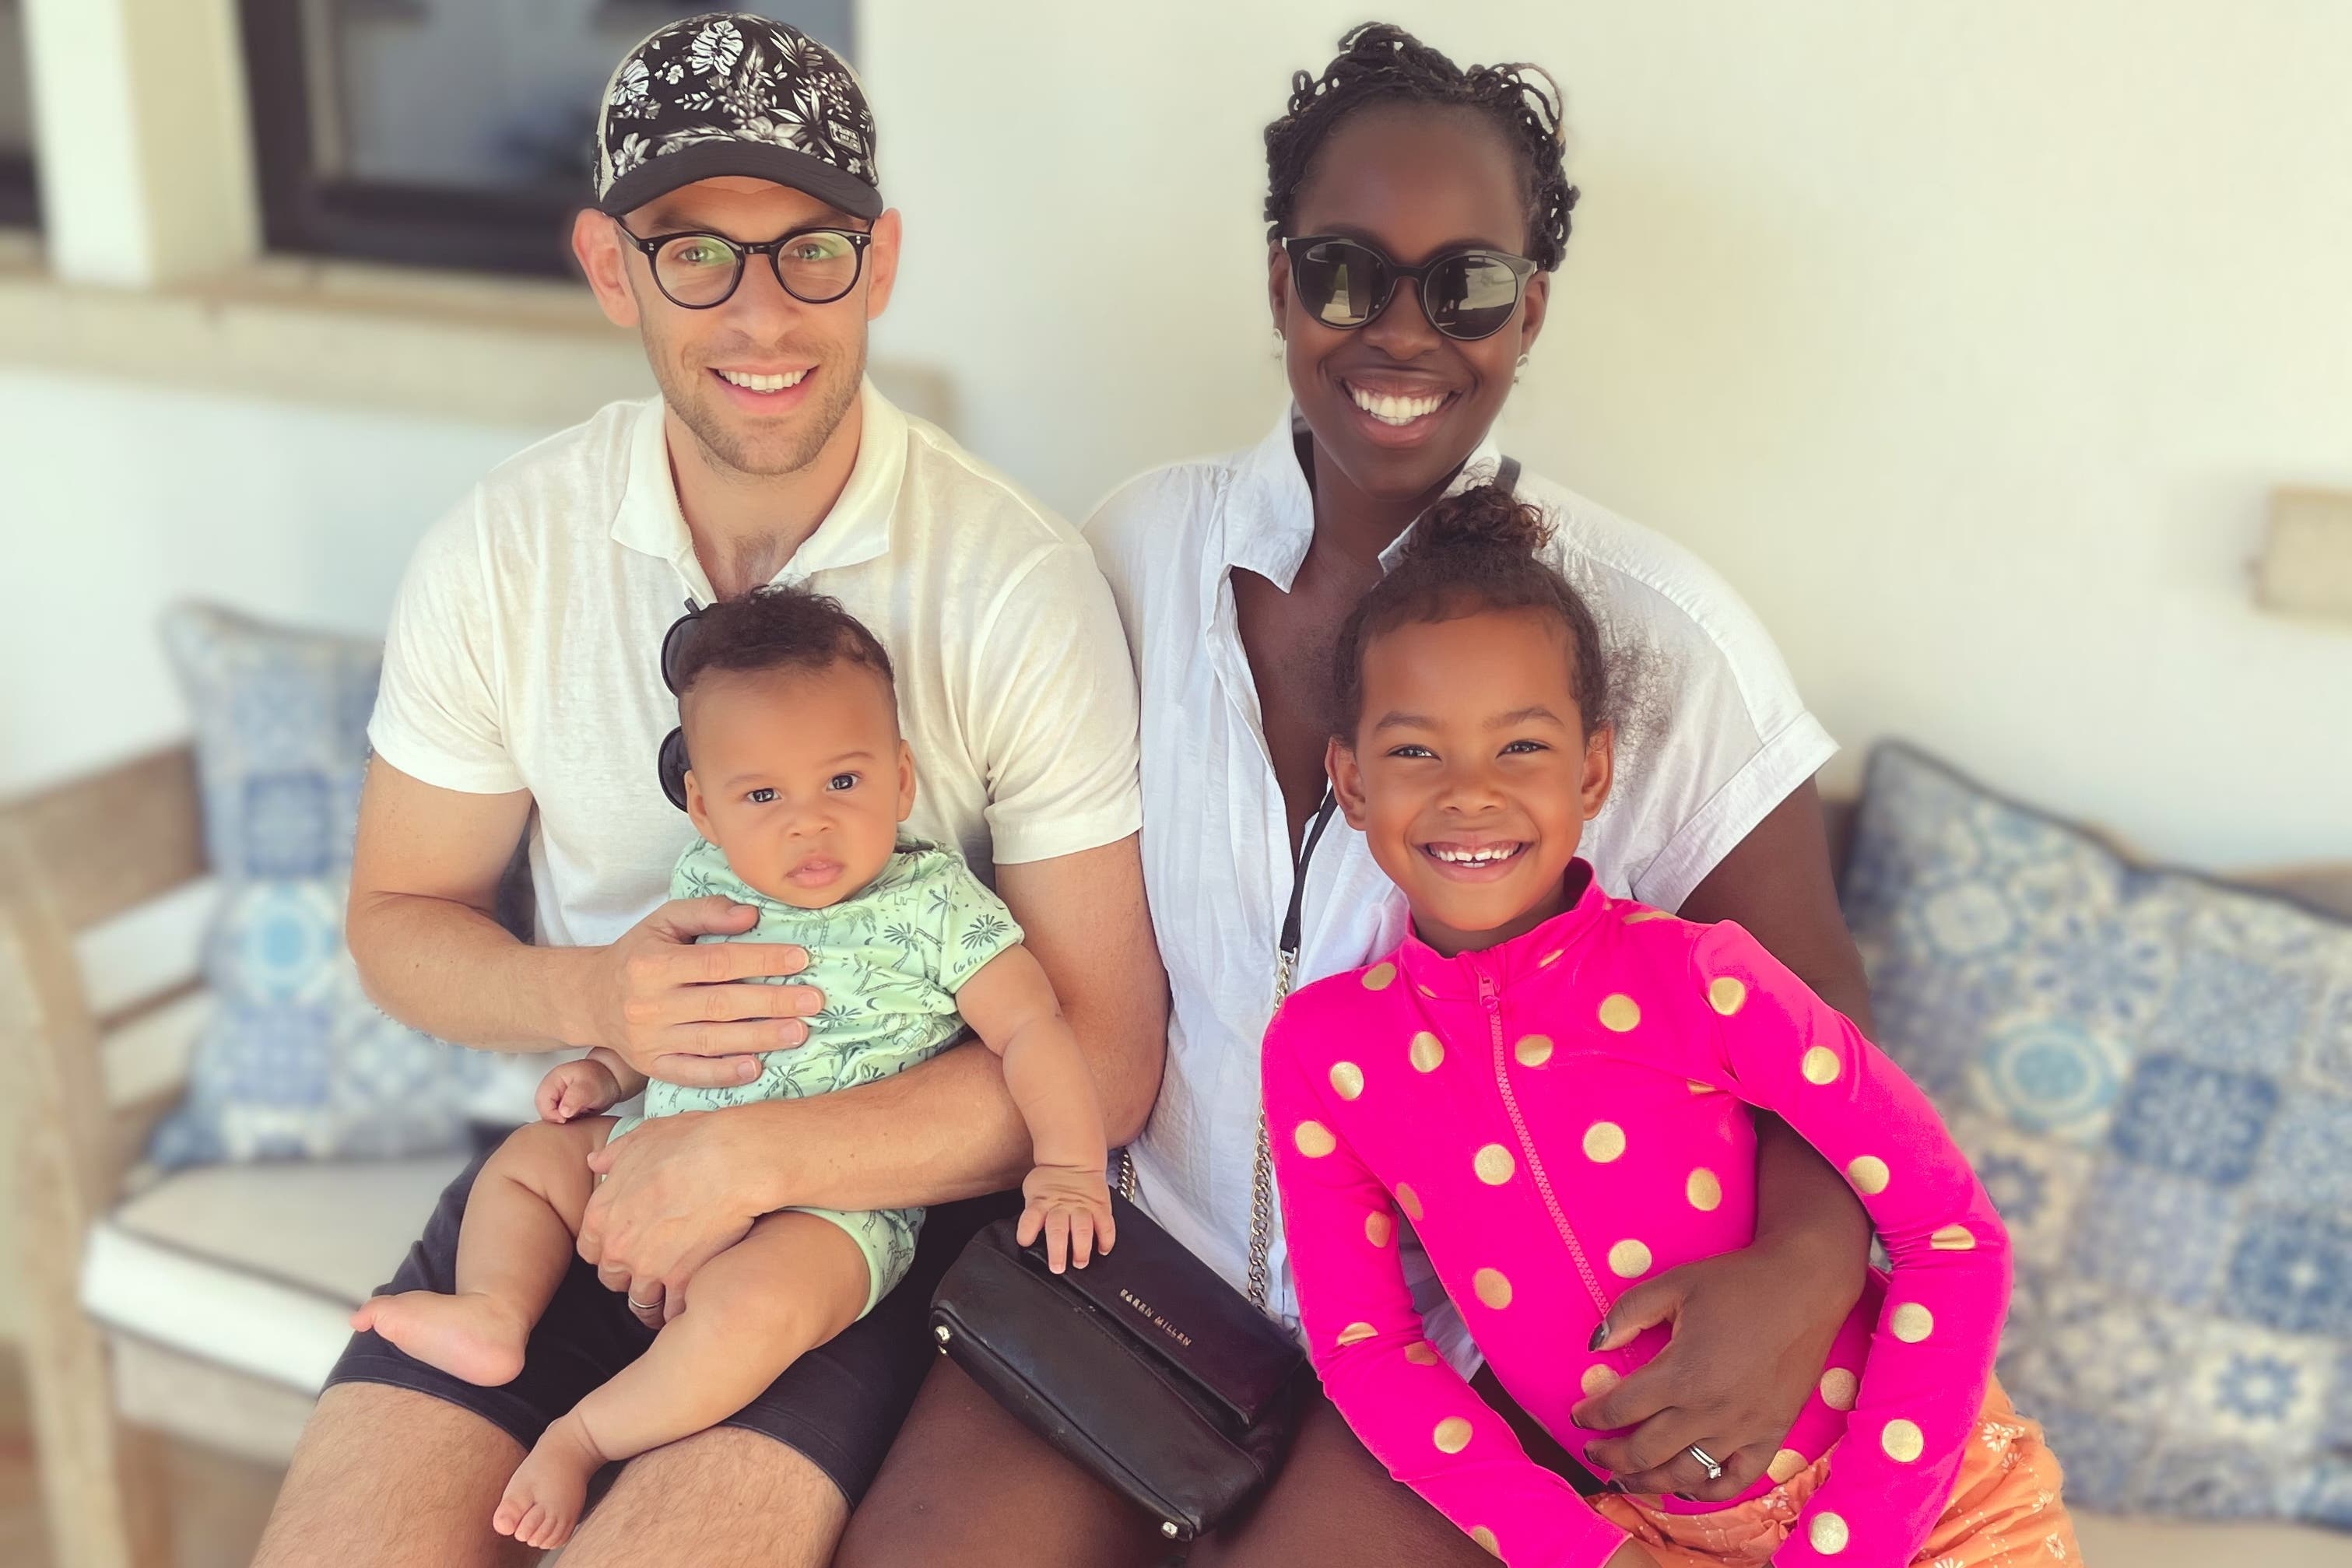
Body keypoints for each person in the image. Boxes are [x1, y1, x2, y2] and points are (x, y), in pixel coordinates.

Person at [838, 26, 1882, 1567]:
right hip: (1142, 1271)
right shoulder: (1136, 554)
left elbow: (1815, 1005)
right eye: (1344, 272)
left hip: (1476, 1341)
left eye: (1461, 283)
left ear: (1525, 310)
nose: (1400, 331)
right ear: (1278, 285)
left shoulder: (1651, 630)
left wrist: (1799, 1261)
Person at [252, 16, 1162, 1568]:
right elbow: (398, 919)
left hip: (854, 1216)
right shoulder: (505, 549)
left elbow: (1109, 1047)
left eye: (806, 251)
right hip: (608, 1157)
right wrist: (595, 995)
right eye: (695, 255)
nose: (759, 309)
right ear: (613, 271)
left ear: (876, 265)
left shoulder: (1012, 580)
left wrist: (756, 1156)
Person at [1265, 484, 2078, 1568]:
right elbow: (1367, 1349)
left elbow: (1954, 1239)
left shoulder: (1706, 975)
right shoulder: (1324, 1053)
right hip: (1653, 1542)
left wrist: (1843, 1550)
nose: (1469, 793)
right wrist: (1586, 1551)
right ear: (1350, 781)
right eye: (1415, 752)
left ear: (1591, 770)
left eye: (1519, 748)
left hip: (1937, 1512)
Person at [348, 586, 1116, 1551]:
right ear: (704, 808)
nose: (810, 824)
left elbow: (1037, 1030)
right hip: (650, 1149)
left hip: (834, 1207)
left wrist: (1069, 1167)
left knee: (762, 1307)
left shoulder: (936, 906)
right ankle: (494, 1311)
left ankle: (584, 1435)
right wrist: (604, 1075)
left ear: (904, 777)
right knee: (533, 1160)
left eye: (844, 782)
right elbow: (662, 1018)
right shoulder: (705, 888)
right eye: (763, 796)